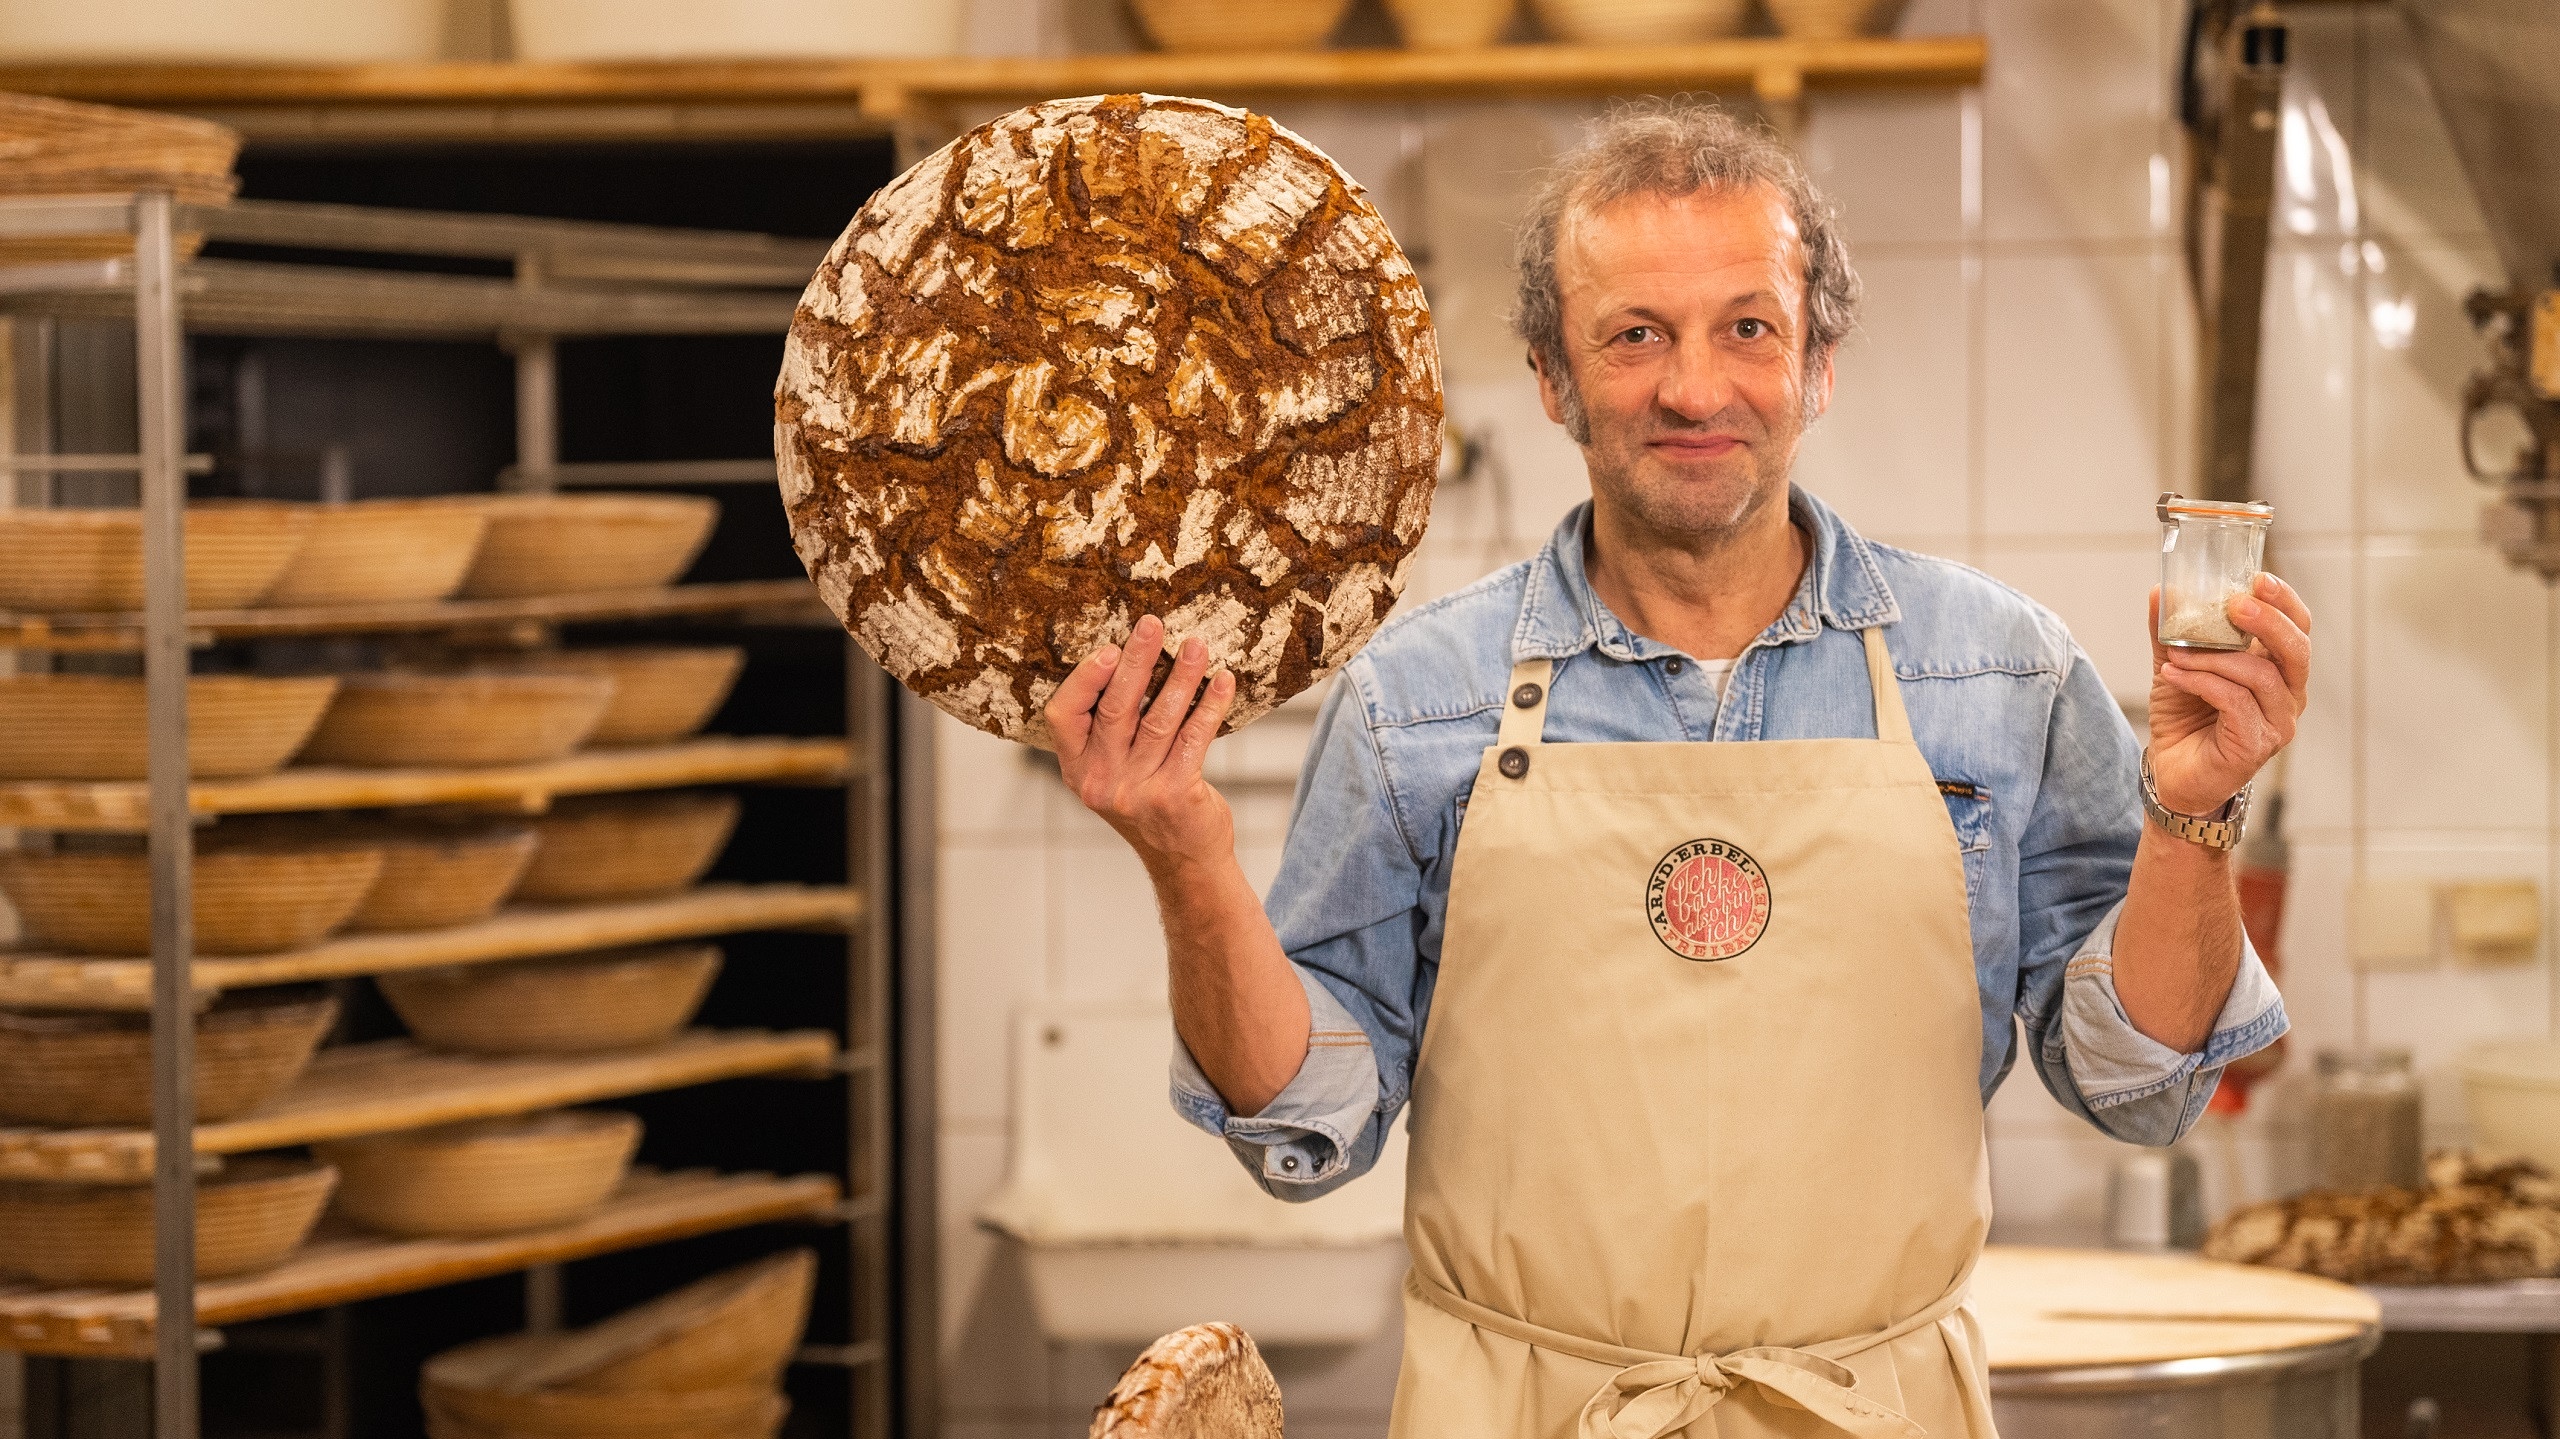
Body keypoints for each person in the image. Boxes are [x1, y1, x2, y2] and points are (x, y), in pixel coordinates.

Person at [1041, 102, 2305, 1439]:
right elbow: (1308, 1119)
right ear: (1552, 378)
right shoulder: (1421, 701)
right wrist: (1185, 852)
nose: (1695, 389)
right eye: (1633, 334)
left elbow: (2140, 1081)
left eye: (1747, 328)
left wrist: (2198, 810)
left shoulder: (1996, 675)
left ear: (1818, 363)